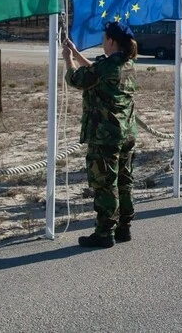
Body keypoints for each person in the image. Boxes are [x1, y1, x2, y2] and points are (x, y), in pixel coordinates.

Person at [63, 21, 138, 249]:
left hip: (105, 135)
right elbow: (95, 75)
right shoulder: (128, 64)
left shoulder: (107, 66)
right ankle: (123, 227)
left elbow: (77, 79)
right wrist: (76, 53)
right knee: (124, 182)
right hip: (126, 134)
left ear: (111, 41)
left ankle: (105, 232)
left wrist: (67, 59)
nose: (103, 42)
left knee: (105, 184)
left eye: (104, 38)